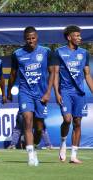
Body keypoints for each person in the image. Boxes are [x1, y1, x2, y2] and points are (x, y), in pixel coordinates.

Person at [7, 26, 55, 166]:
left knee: (39, 128)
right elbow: (13, 74)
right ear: (24, 39)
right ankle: (30, 156)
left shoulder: (46, 52)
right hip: (25, 92)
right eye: (28, 39)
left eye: (33, 38)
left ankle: (34, 147)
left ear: (37, 37)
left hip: (41, 94)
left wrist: (48, 92)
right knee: (27, 121)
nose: (31, 41)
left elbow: (52, 73)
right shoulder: (17, 54)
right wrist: (9, 90)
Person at [53, 25, 93, 164]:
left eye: (80, 35)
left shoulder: (84, 53)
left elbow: (87, 75)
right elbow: (56, 74)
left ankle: (74, 155)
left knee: (77, 123)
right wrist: (57, 93)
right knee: (67, 120)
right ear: (69, 37)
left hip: (79, 94)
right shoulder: (59, 52)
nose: (80, 38)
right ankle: (63, 142)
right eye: (77, 35)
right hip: (65, 92)